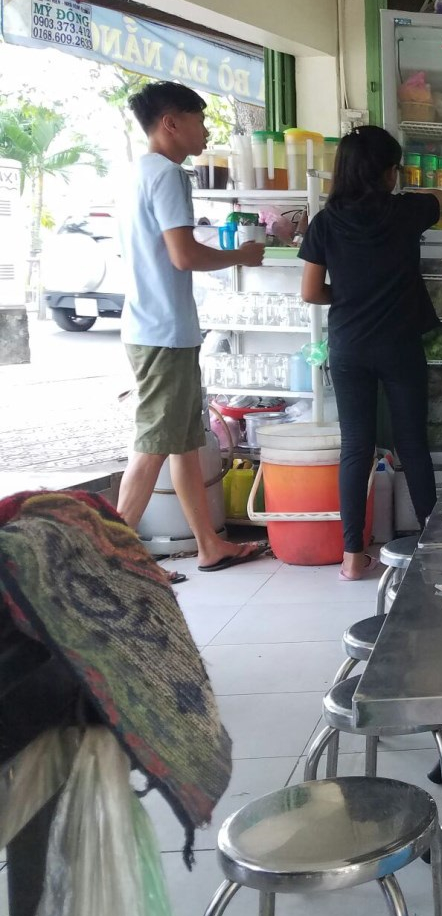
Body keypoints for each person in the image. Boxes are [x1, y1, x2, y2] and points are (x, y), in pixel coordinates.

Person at [115, 82, 268, 573]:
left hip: (154, 326)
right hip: (162, 330)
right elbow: (183, 255)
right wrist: (241, 255)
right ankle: (113, 559)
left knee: (183, 442)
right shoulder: (168, 175)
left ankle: (209, 544)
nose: (205, 132)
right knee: (153, 445)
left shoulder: (139, 172)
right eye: (199, 121)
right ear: (170, 123)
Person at [300, 126, 442, 580]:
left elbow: (310, 292)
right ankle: (430, 541)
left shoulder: (325, 221)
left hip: (348, 345)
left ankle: (352, 557)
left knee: (356, 447)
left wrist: (349, 296)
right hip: (399, 344)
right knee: (412, 444)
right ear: (387, 172)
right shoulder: (404, 211)